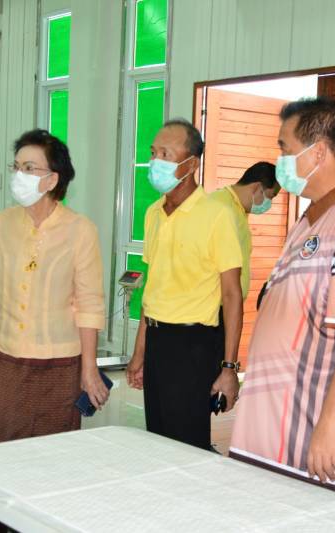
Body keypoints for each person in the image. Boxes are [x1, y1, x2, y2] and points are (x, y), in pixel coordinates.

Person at [229, 97, 335, 497]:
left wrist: (330, 422)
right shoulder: (315, 216)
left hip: (318, 442)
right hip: (279, 433)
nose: (280, 160)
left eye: (285, 148)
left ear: (318, 152)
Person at [0, 129, 107, 445]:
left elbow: (89, 305)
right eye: (16, 166)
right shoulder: (2, 223)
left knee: (50, 454)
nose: (18, 175)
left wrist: (89, 368)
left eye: (28, 168)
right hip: (4, 359)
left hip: (58, 365)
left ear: (52, 180)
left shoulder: (80, 230)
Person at [126, 119, 244, 450]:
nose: (155, 161)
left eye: (165, 154)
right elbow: (153, 289)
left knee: (187, 444)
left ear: (191, 164)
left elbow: (232, 295)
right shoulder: (153, 213)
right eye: (153, 153)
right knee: (158, 438)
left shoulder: (217, 215)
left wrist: (229, 368)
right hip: (157, 339)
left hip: (193, 344)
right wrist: (139, 353)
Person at [211, 161, 281, 300]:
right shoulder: (219, 206)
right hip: (215, 304)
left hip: (228, 303)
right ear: (257, 187)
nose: (269, 203)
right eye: (271, 196)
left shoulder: (239, 209)